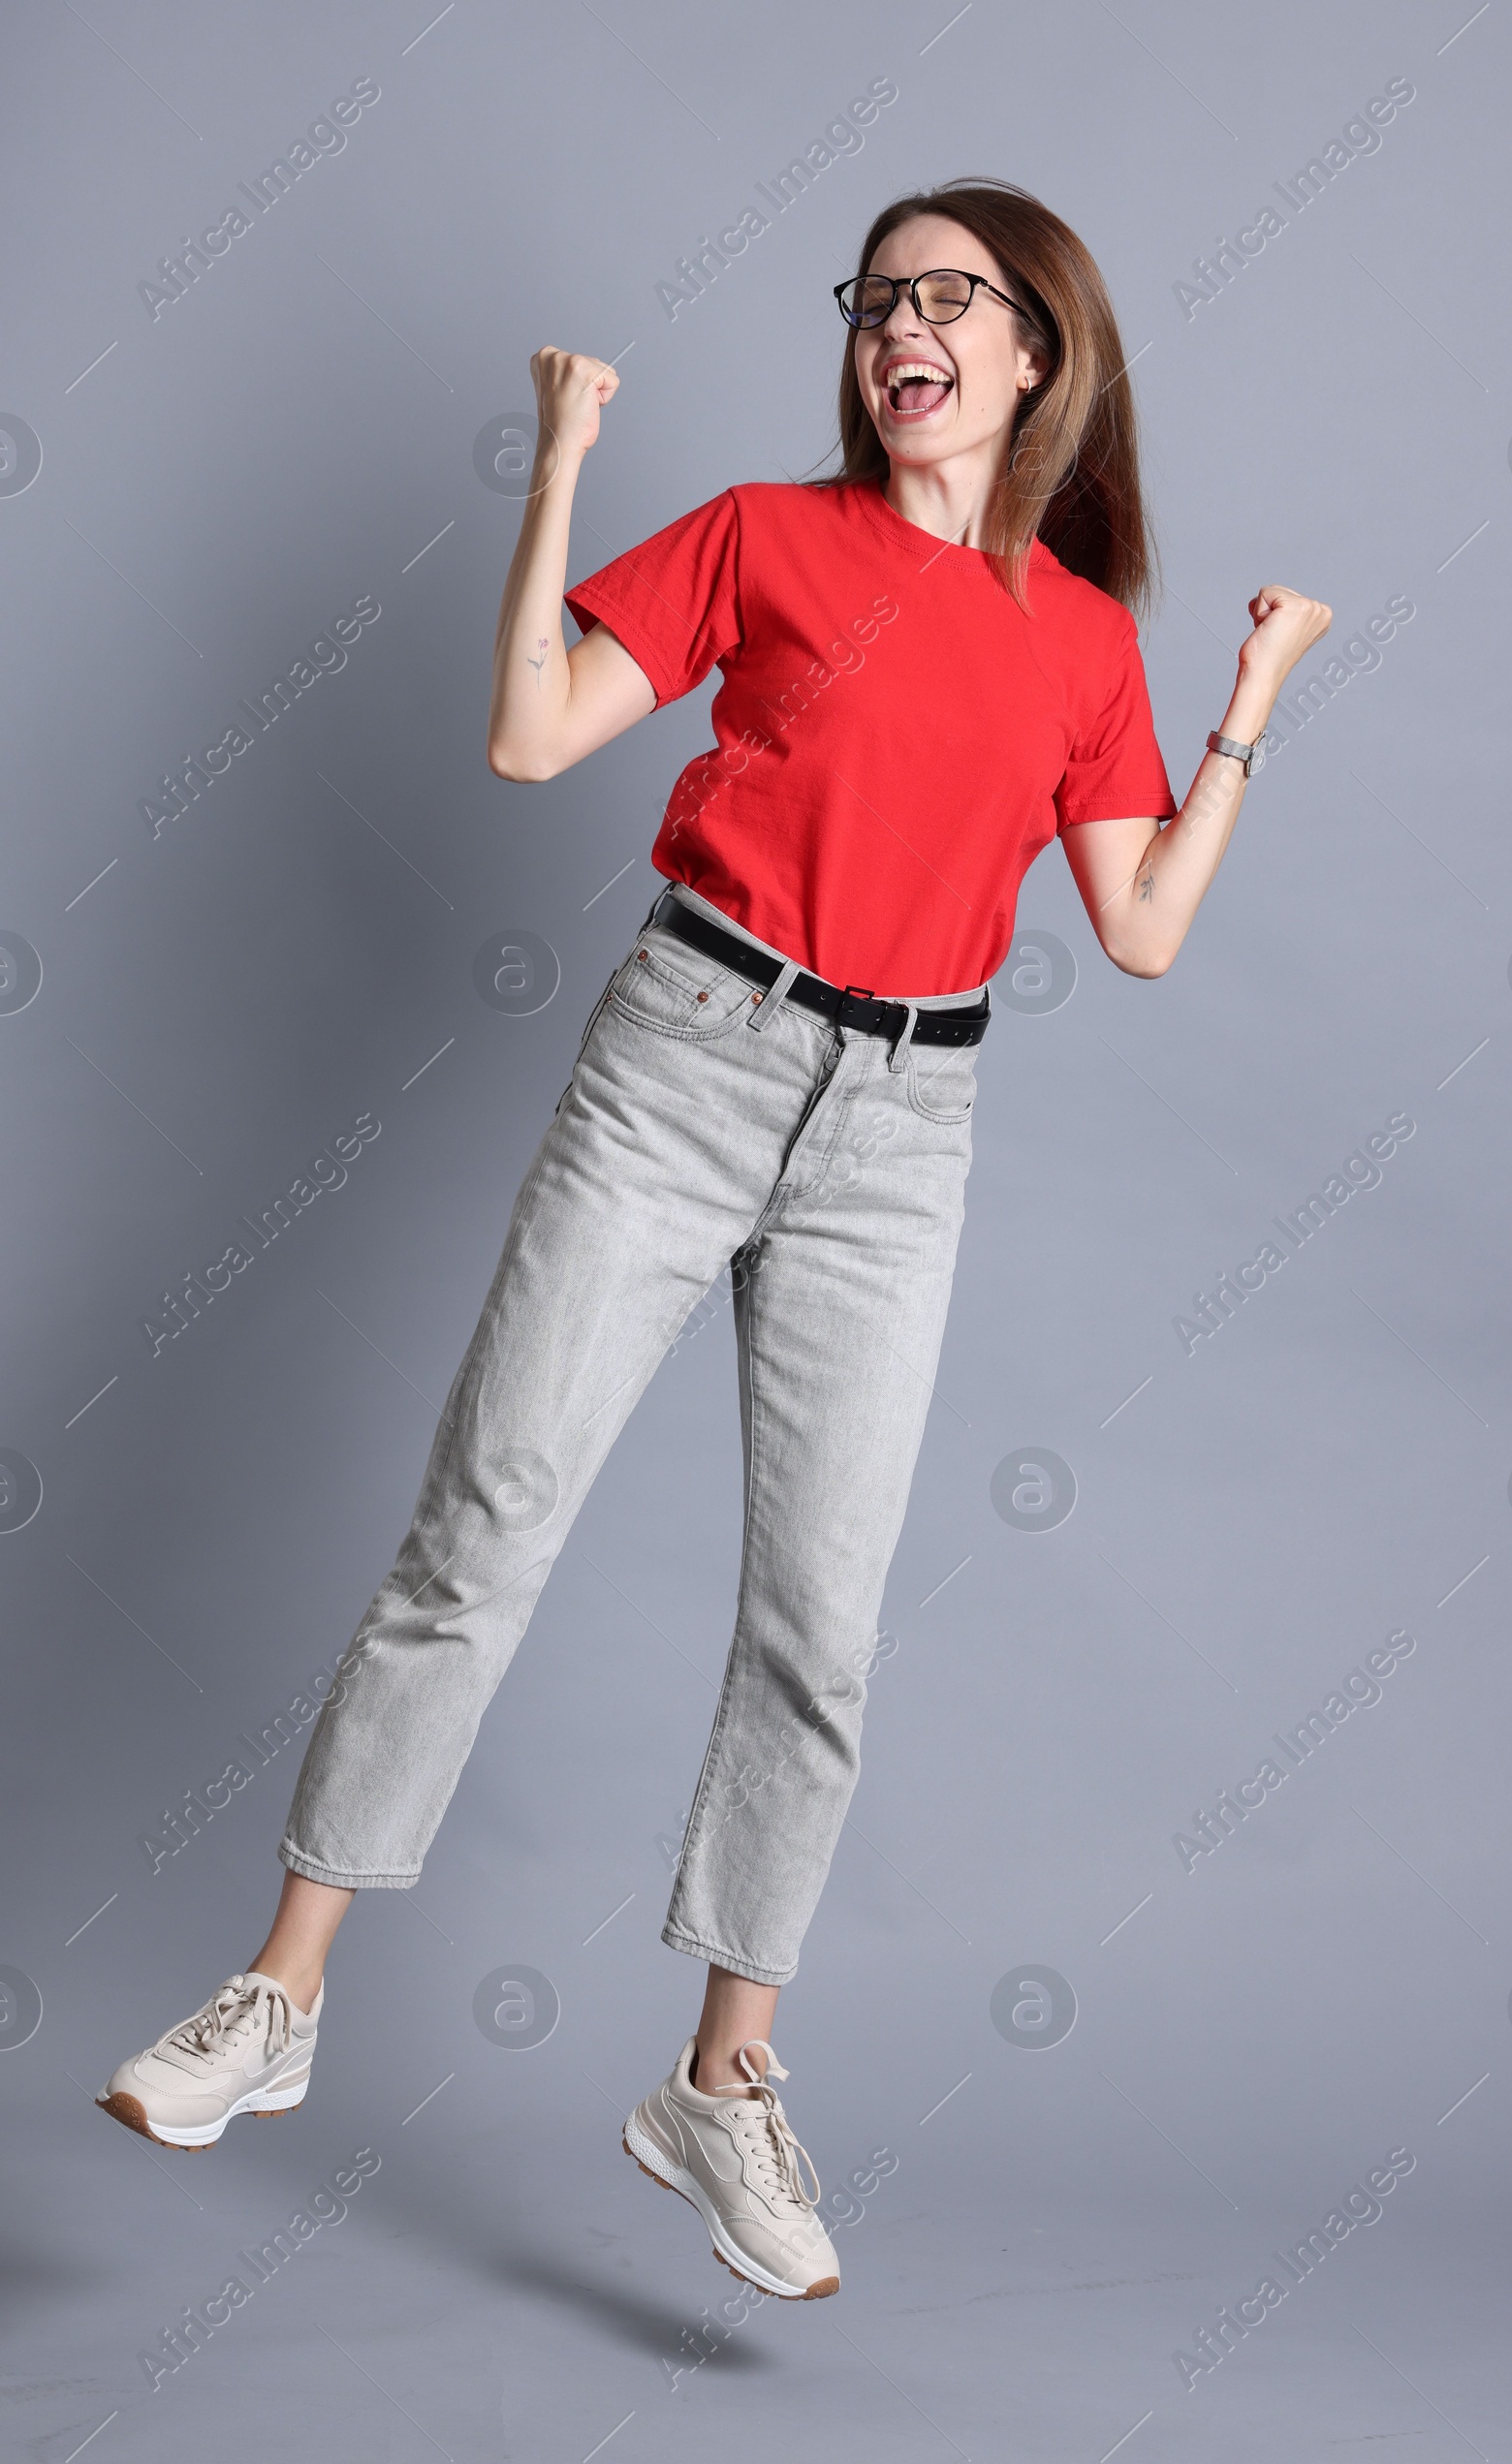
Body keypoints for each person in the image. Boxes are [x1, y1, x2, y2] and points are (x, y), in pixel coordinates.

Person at [97, 179, 1330, 2300]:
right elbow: (527, 731)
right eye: (875, 299)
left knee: (816, 1626)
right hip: (687, 1047)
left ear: (1038, 352)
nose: (898, 328)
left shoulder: (1081, 640)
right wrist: (562, 470)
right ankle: (281, 1997)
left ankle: (720, 2085)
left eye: (949, 298)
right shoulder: (770, 535)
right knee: (483, 1522)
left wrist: (1248, 699)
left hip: (904, 1121)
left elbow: (1134, 929)